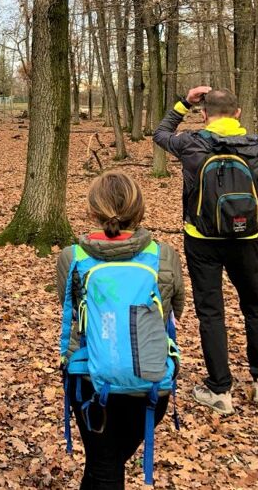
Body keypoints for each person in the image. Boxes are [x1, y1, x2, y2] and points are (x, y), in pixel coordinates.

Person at [154, 87, 258, 414]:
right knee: (255, 307)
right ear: (237, 113)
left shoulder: (191, 143)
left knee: (211, 312)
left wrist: (183, 102)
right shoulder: (256, 147)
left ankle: (219, 390)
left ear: (204, 115)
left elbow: (160, 134)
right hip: (245, 240)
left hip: (201, 240)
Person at [56, 171, 185, 490]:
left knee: (104, 465)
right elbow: (174, 311)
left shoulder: (72, 257)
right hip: (150, 380)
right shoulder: (164, 256)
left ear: (92, 211)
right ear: (139, 210)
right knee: (106, 463)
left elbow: (71, 309)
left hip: (89, 379)